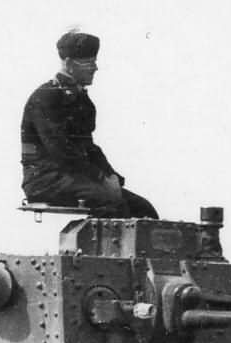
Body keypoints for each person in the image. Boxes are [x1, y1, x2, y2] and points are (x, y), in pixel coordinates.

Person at [20, 30, 158, 219]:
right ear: (68, 64)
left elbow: (88, 147)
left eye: (94, 61)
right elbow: (61, 151)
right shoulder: (46, 97)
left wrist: (112, 176)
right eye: (88, 62)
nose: (95, 68)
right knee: (110, 201)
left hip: (71, 177)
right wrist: (101, 178)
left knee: (143, 209)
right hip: (45, 180)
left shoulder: (82, 101)